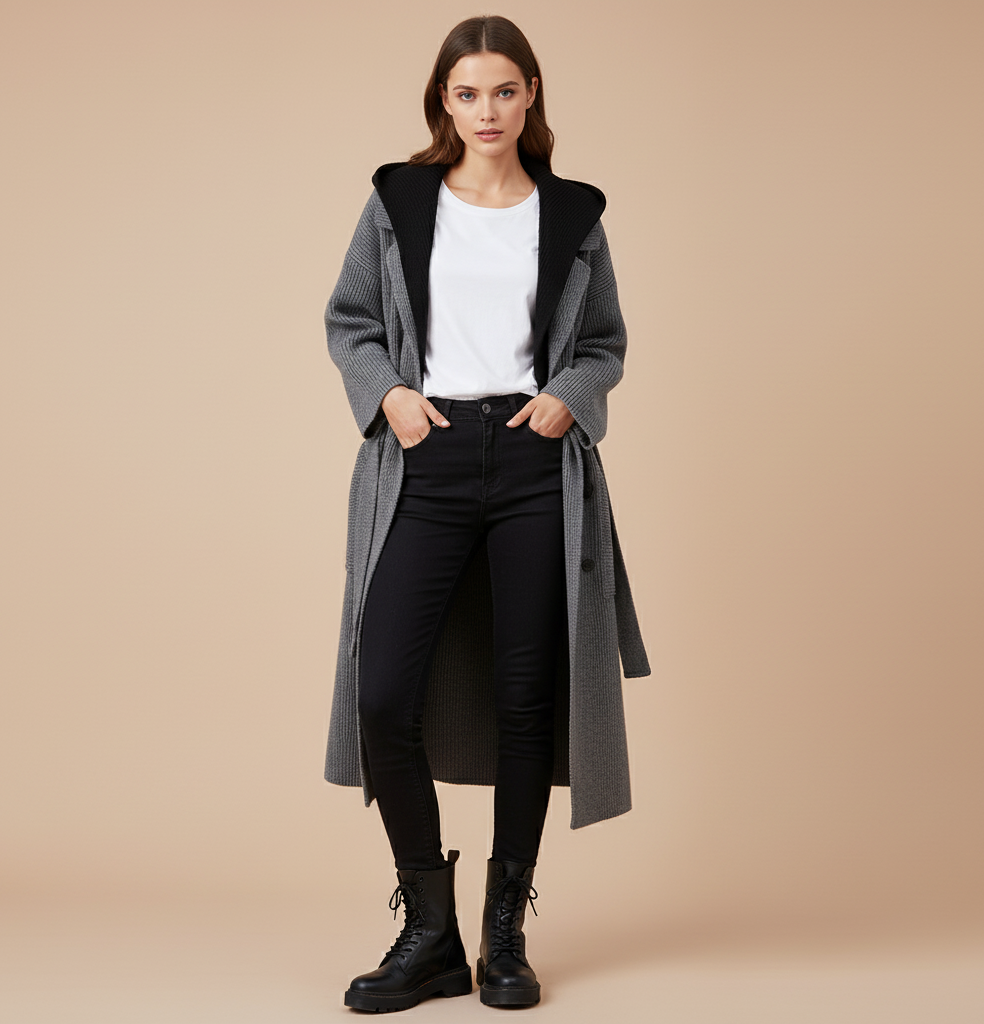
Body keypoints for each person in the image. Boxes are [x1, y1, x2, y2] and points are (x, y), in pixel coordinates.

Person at [323, 14, 651, 1012]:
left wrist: (569, 397)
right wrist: (388, 395)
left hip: (531, 460)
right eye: (466, 93)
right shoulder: (398, 201)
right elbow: (351, 321)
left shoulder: (573, 214)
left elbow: (603, 343)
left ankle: (503, 933)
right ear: (443, 102)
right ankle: (430, 933)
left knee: (525, 698)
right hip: (422, 458)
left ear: (531, 94)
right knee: (384, 692)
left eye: (503, 90)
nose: (486, 111)